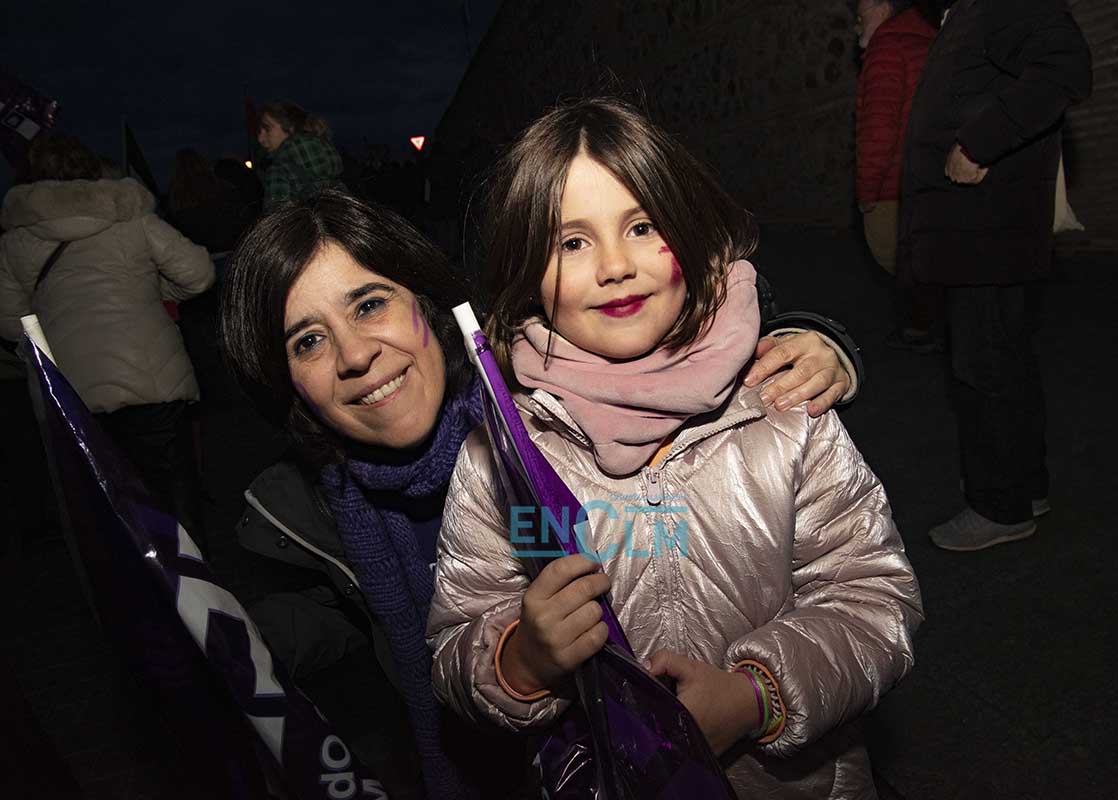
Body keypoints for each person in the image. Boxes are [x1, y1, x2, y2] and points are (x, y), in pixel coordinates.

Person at [219, 188, 860, 798]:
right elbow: (334, 633)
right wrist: (223, 645)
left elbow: (672, 344)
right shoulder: (312, 518)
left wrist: (807, 341)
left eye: (369, 305)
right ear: (286, 381)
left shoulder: (544, 394)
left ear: (428, 301)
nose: (355, 354)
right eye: (308, 341)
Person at [427, 98, 922, 799]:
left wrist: (755, 696)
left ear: (689, 233)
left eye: (641, 226)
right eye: (571, 243)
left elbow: (874, 596)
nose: (615, 266)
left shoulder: (784, 410)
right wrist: (521, 660)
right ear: (527, 271)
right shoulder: (501, 458)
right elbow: (458, 637)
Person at [898, 0, 1092, 550]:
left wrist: (979, 142)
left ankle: (999, 505)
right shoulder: (969, 11)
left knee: (983, 366)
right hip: (978, 234)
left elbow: (1065, 66)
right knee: (1003, 360)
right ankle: (1022, 485)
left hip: (985, 232)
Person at [0, 133, 214, 548]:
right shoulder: (130, 216)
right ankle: (195, 583)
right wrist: (151, 291)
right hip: (153, 382)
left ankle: (137, 585)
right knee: (173, 503)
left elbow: (11, 324)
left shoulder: (15, 242)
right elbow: (199, 275)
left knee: (108, 512)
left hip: (72, 395)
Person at [854, 0, 942, 353]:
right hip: (934, 180)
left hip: (896, 186)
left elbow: (879, 128)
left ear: (882, 7)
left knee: (900, 259)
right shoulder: (934, 42)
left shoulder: (887, 47)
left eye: (861, 15)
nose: (856, 25)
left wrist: (867, 191)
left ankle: (923, 329)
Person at [256, 100, 344, 210]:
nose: (260, 139)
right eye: (259, 131)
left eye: (267, 129)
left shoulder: (280, 169)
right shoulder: (329, 158)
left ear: (290, 127)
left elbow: (276, 217)